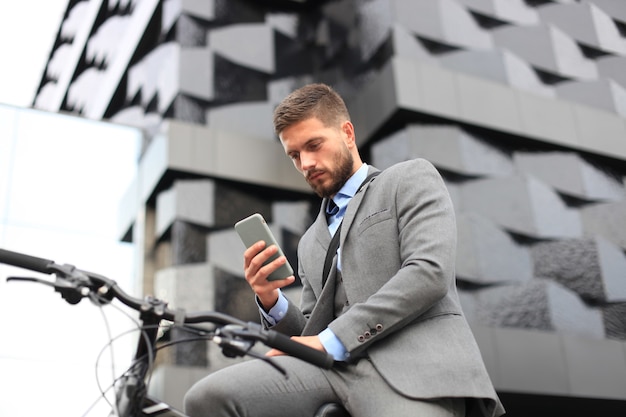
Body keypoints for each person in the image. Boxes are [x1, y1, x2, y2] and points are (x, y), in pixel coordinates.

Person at [184, 83, 505, 417]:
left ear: (347, 133)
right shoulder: (310, 241)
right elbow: (310, 331)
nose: (306, 163)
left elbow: (429, 273)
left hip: (415, 372)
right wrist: (271, 301)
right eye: (295, 155)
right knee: (206, 397)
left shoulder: (409, 178)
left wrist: (331, 340)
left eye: (314, 145)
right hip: (330, 370)